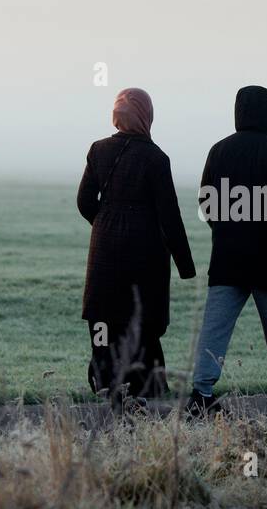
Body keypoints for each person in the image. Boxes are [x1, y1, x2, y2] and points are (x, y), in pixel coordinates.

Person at [187, 85, 267, 415]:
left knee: (214, 330)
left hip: (227, 259)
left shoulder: (218, 150)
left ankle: (200, 395)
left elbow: (205, 201)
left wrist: (226, 229)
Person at [78, 87, 195, 405]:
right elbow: (169, 215)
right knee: (142, 322)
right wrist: (186, 266)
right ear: (146, 115)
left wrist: (105, 224)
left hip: (104, 251)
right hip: (145, 255)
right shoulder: (156, 158)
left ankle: (108, 388)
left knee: (104, 320)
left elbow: (85, 201)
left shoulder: (98, 150)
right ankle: (147, 394)